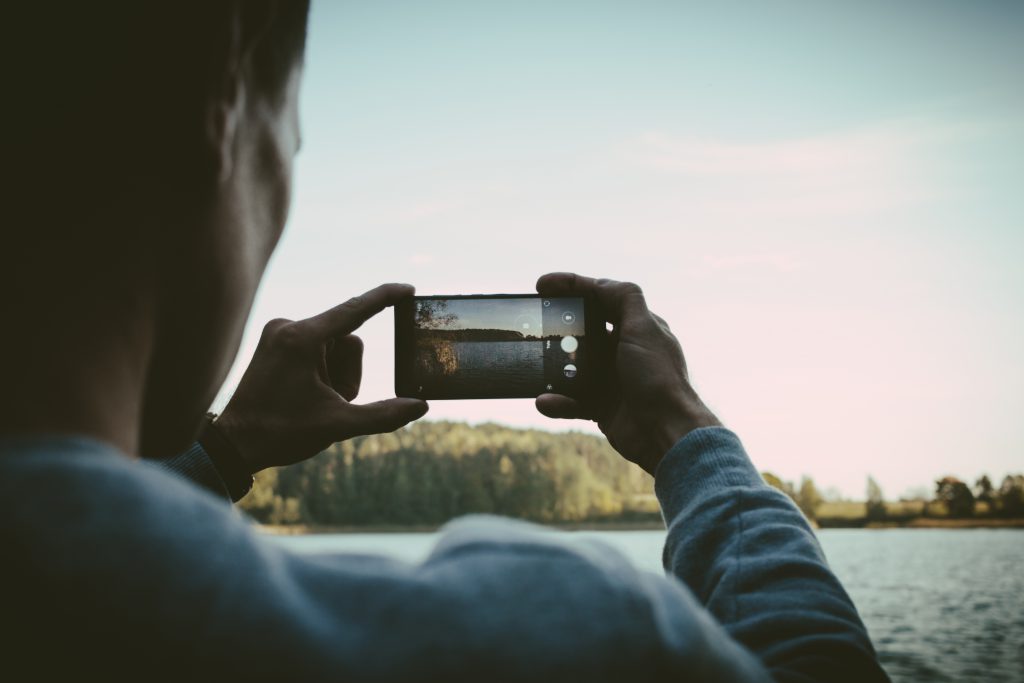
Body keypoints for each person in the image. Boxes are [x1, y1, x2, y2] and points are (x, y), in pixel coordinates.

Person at [0, 2, 889, 680]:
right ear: (221, 97)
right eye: (292, 145)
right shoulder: (570, 636)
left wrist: (226, 451)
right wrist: (690, 438)